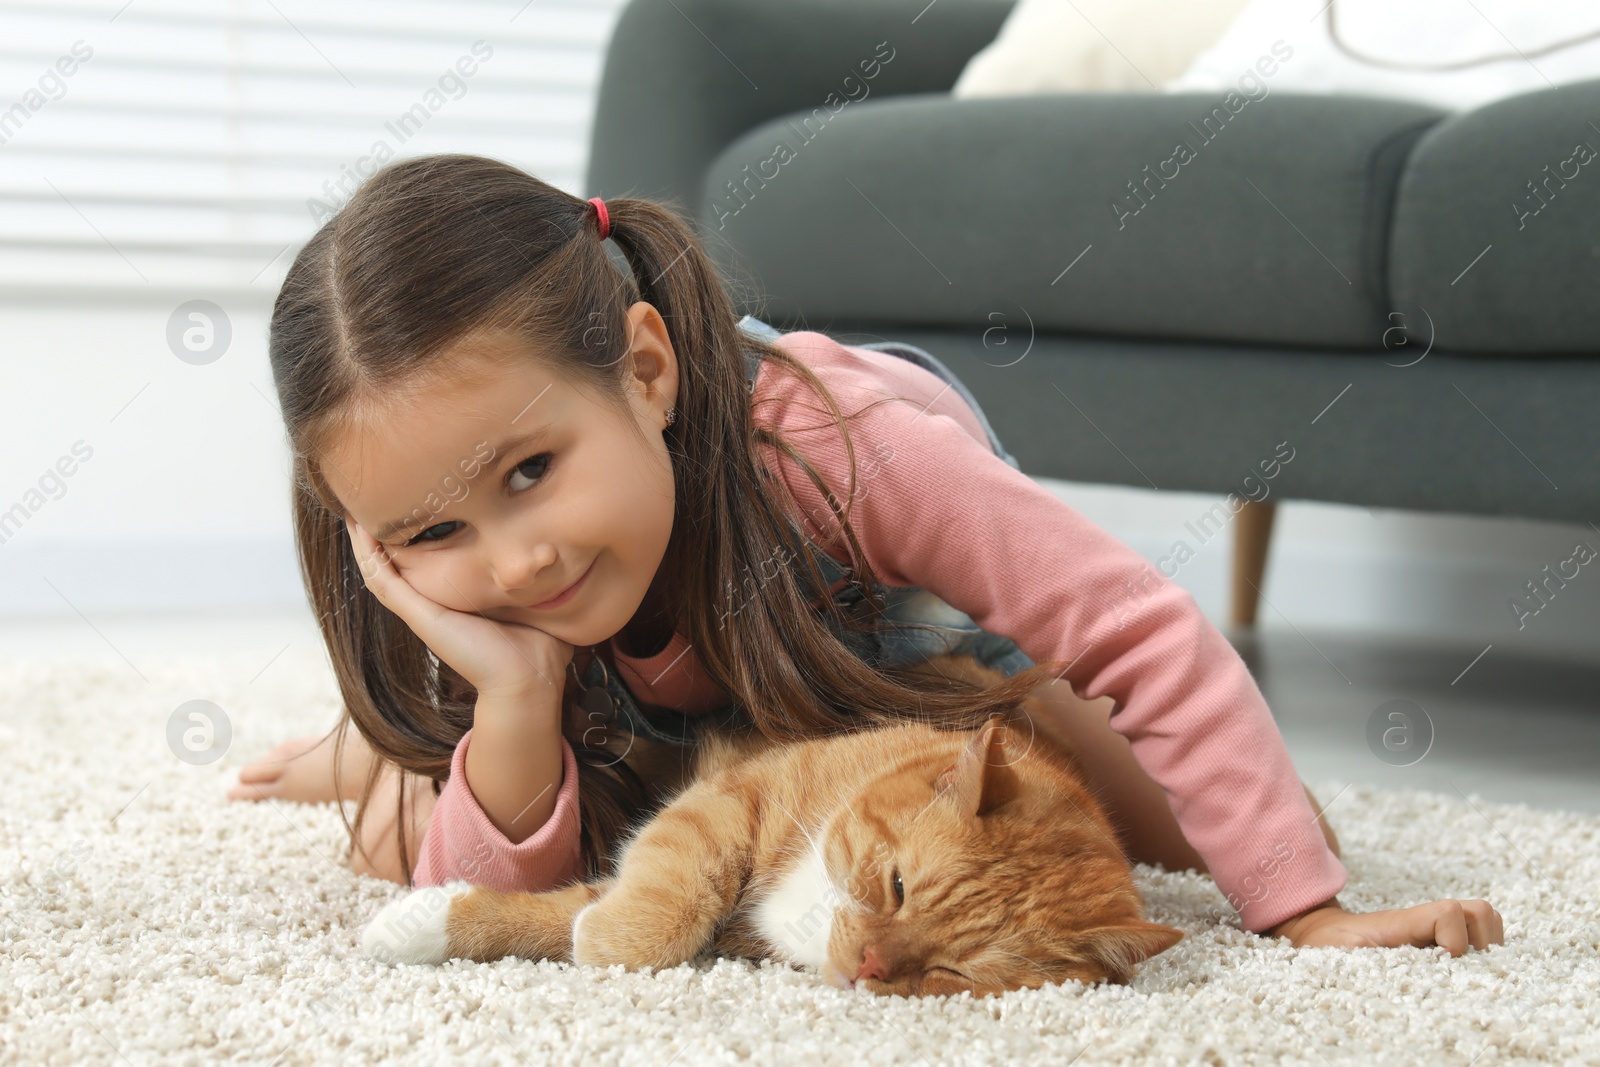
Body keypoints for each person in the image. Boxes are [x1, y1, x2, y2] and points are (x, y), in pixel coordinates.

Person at [231, 153, 1502, 956]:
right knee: (401, 820)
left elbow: (1132, 625)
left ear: (646, 369)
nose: (515, 561)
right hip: (683, 706)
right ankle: (373, 735)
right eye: (434, 534)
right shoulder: (476, 572)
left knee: (1173, 832)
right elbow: (466, 904)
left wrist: (1302, 904)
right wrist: (507, 701)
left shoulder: (844, 448)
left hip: (896, 644)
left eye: (530, 473)